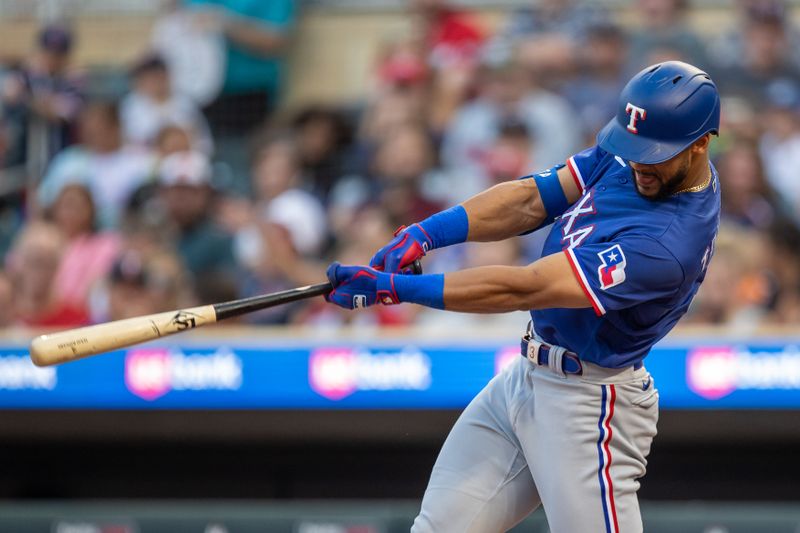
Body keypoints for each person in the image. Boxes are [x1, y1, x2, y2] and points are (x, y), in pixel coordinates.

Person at [324, 61, 721, 532]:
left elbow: (526, 286)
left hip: (589, 403)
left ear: (699, 144)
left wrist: (399, 289)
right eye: (633, 148)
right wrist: (425, 233)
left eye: (652, 155)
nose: (638, 163)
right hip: (525, 376)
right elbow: (533, 199)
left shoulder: (669, 242)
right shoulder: (636, 154)